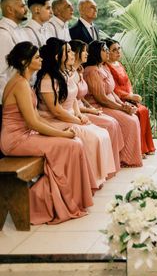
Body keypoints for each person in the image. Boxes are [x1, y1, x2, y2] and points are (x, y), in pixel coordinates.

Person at [1, 42, 94, 224]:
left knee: (74, 143)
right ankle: (49, 200)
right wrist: (62, 135)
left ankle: (68, 199)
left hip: (26, 135)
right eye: (36, 57)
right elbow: (33, 122)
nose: (41, 59)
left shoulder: (24, 83)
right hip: (15, 140)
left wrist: (60, 131)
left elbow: (37, 118)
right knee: (71, 145)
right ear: (24, 61)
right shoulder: (19, 84)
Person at [35, 38, 115, 188]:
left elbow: (73, 98)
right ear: (58, 57)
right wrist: (76, 120)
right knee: (92, 138)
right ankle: (88, 181)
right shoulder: (48, 79)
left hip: (70, 116)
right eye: (69, 51)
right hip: (54, 121)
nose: (72, 54)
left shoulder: (65, 73)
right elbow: (56, 111)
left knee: (102, 133)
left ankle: (97, 178)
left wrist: (79, 115)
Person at [83, 40, 143, 167]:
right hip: (99, 106)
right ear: (96, 53)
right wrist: (121, 108)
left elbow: (112, 91)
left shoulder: (104, 67)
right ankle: (123, 158)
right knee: (129, 121)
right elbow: (101, 98)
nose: (107, 52)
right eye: (104, 50)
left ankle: (129, 156)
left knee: (133, 118)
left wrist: (123, 104)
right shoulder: (92, 71)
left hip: (111, 103)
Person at [70, 39, 123, 173]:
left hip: (86, 108)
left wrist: (90, 108)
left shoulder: (80, 71)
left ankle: (114, 163)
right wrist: (90, 110)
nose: (86, 54)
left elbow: (80, 97)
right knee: (110, 124)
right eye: (84, 51)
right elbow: (73, 101)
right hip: (78, 112)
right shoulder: (78, 73)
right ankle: (102, 168)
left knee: (113, 123)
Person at [105, 38, 156, 155]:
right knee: (138, 112)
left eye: (119, 49)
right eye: (114, 50)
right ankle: (137, 149)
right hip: (119, 98)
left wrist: (131, 94)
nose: (118, 52)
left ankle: (145, 147)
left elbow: (127, 82)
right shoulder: (107, 67)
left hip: (129, 97)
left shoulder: (119, 64)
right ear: (108, 52)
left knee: (144, 111)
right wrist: (129, 96)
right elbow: (114, 89)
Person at [0, 0, 29, 102]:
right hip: (10, 98)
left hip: (23, 91)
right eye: (22, 6)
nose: (26, 9)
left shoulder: (20, 30)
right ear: (10, 9)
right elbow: (1, 72)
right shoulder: (3, 33)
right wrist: (8, 99)